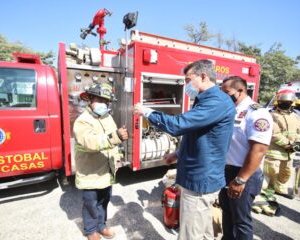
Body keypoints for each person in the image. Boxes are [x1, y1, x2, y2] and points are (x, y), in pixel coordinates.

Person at [134, 59, 235, 240]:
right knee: (203, 229)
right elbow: (199, 135)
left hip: (200, 179)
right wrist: (178, 153)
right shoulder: (205, 100)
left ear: (203, 76)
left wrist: (147, 112)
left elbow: (179, 125)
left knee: (190, 234)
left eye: (188, 80)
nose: (186, 85)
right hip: (199, 176)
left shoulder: (216, 101)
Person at [219, 76, 273, 240]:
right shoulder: (230, 110)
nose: (223, 96)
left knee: (241, 221)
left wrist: (240, 180)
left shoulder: (256, 113)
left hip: (243, 174)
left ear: (240, 90)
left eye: (226, 92)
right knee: (227, 214)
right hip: (226, 172)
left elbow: (259, 149)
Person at [73, 82, 128, 240]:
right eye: (99, 100)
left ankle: (101, 225)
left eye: (106, 101)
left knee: (104, 201)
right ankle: (91, 231)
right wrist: (116, 137)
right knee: (91, 204)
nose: (103, 104)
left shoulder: (108, 117)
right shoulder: (83, 121)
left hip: (106, 171)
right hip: (90, 173)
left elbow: (112, 142)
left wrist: (117, 158)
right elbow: (90, 142)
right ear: (90, 99)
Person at [263, 89, 300, 198]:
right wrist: (288, 144)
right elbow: (274, 134)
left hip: (290, 153)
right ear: (278, 102)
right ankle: (267, 193)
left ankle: (280, 188)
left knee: (286, 172)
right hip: (275, 151)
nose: (286, 104)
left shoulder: (295, 116)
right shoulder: (272, 116)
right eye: (283, 102)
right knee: (271, 172)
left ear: (292, 103)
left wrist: (299, 141)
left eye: (288, 103)